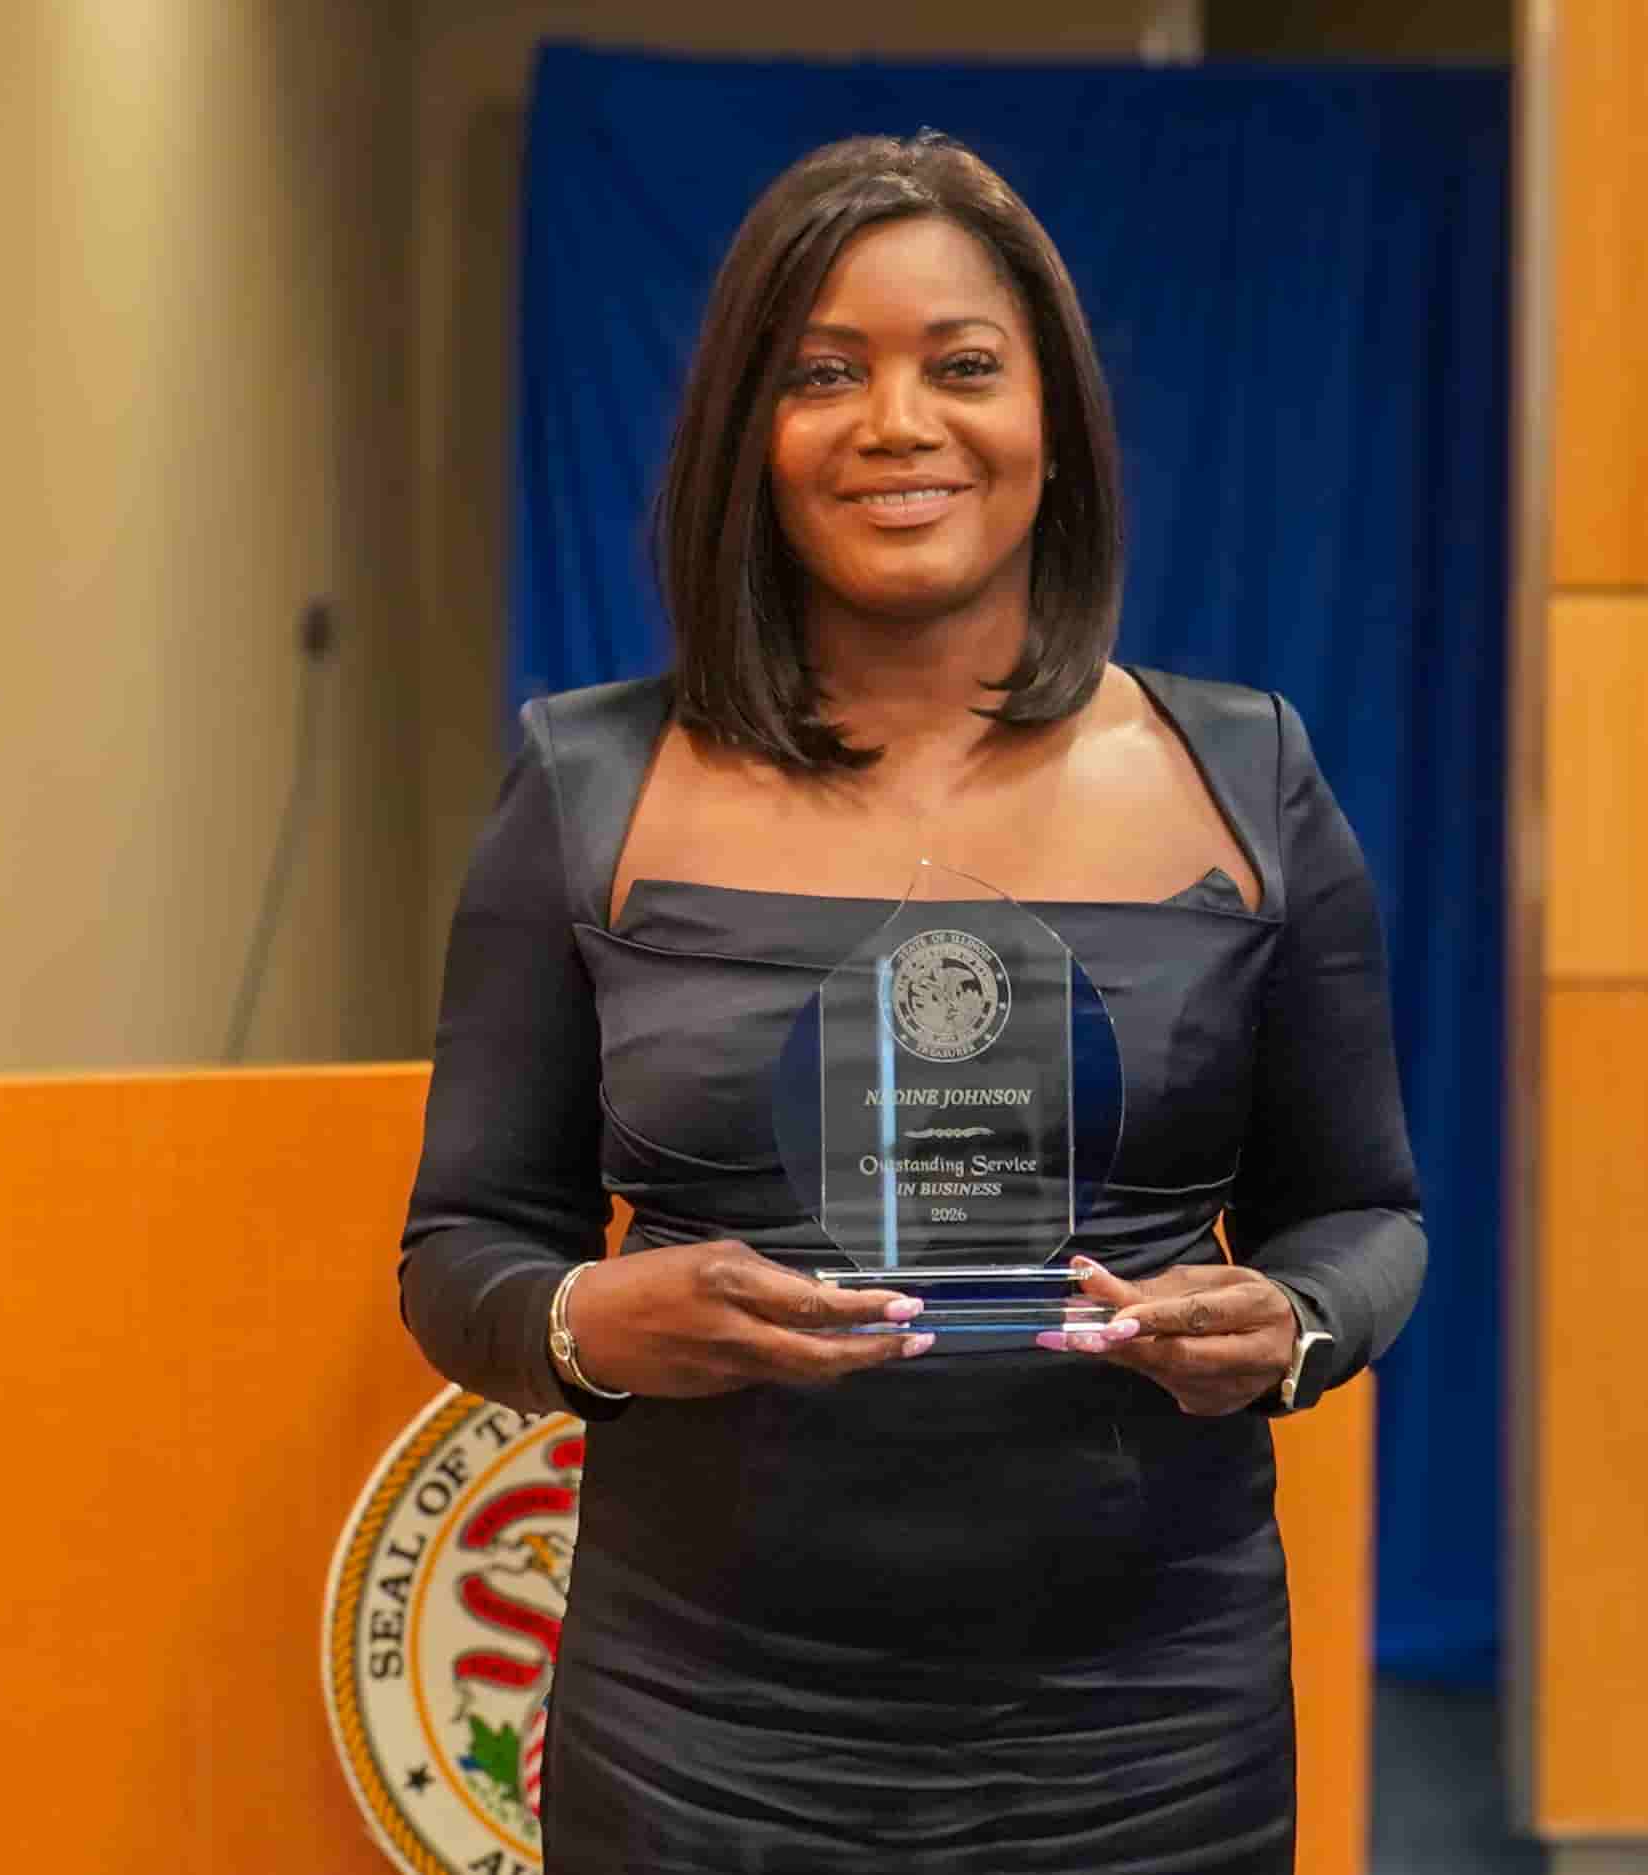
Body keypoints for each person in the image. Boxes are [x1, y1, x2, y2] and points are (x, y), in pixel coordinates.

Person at [401, 130, 1425, 1874]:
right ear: (751, 432)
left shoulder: (1244, 773)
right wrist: (596, 1325)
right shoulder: (589, 782)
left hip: (1152, 1742)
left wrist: (1295, 1328)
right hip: (708, 1739)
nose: (899, 424)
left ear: (1054, 427)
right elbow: (465, 1249)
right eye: (825, 373)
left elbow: (1363, 1213)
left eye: (963, 367)